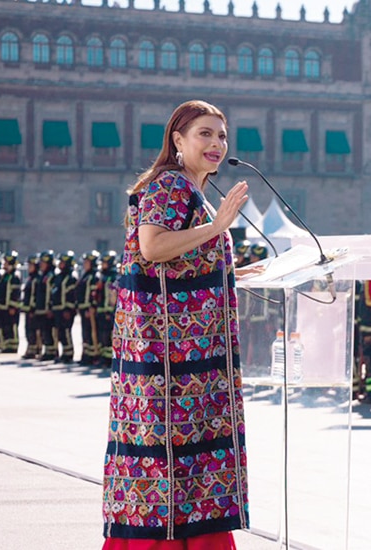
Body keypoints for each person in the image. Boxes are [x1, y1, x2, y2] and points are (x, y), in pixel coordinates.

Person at [103, 99, 256, 547]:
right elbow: (152, 247)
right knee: (170, 464)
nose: (216, 144)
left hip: (187, 364)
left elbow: (179, 264)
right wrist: (219, 226)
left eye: (222, 136)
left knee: (187, 467)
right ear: (178, 141)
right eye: (204, 134)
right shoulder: (171, 184)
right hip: (170, 365)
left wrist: (239, 273)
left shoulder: (191, 191)